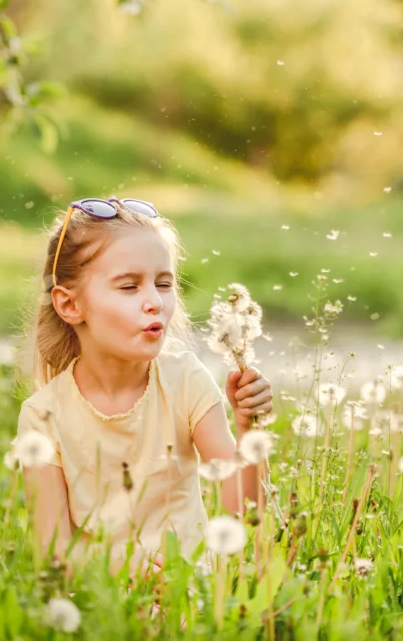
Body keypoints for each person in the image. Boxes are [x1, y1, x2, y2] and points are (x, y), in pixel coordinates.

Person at [16, 196, 273, 575]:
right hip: (102, 602)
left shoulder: (184, 379)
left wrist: (249, 427)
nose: (154, 301)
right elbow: (54, 553)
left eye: (164, 283)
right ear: (70, 305)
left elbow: (245, 510)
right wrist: (121, 586)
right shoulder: (43, 416)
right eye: (129, 287)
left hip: (189, 594)